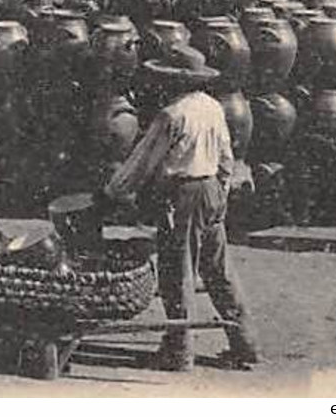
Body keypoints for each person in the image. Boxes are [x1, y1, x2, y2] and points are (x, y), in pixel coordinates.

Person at [100, 45, 259, 371]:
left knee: (177, 272)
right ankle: (246, 345)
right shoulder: (214, 107)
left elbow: (143, 162)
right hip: (212, 188)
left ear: (173, 81)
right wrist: (221, 196)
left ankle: (180, 350)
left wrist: (113, 192)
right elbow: (227, 157)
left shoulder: (172, 115)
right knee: (218, 270)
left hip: (182, 195)